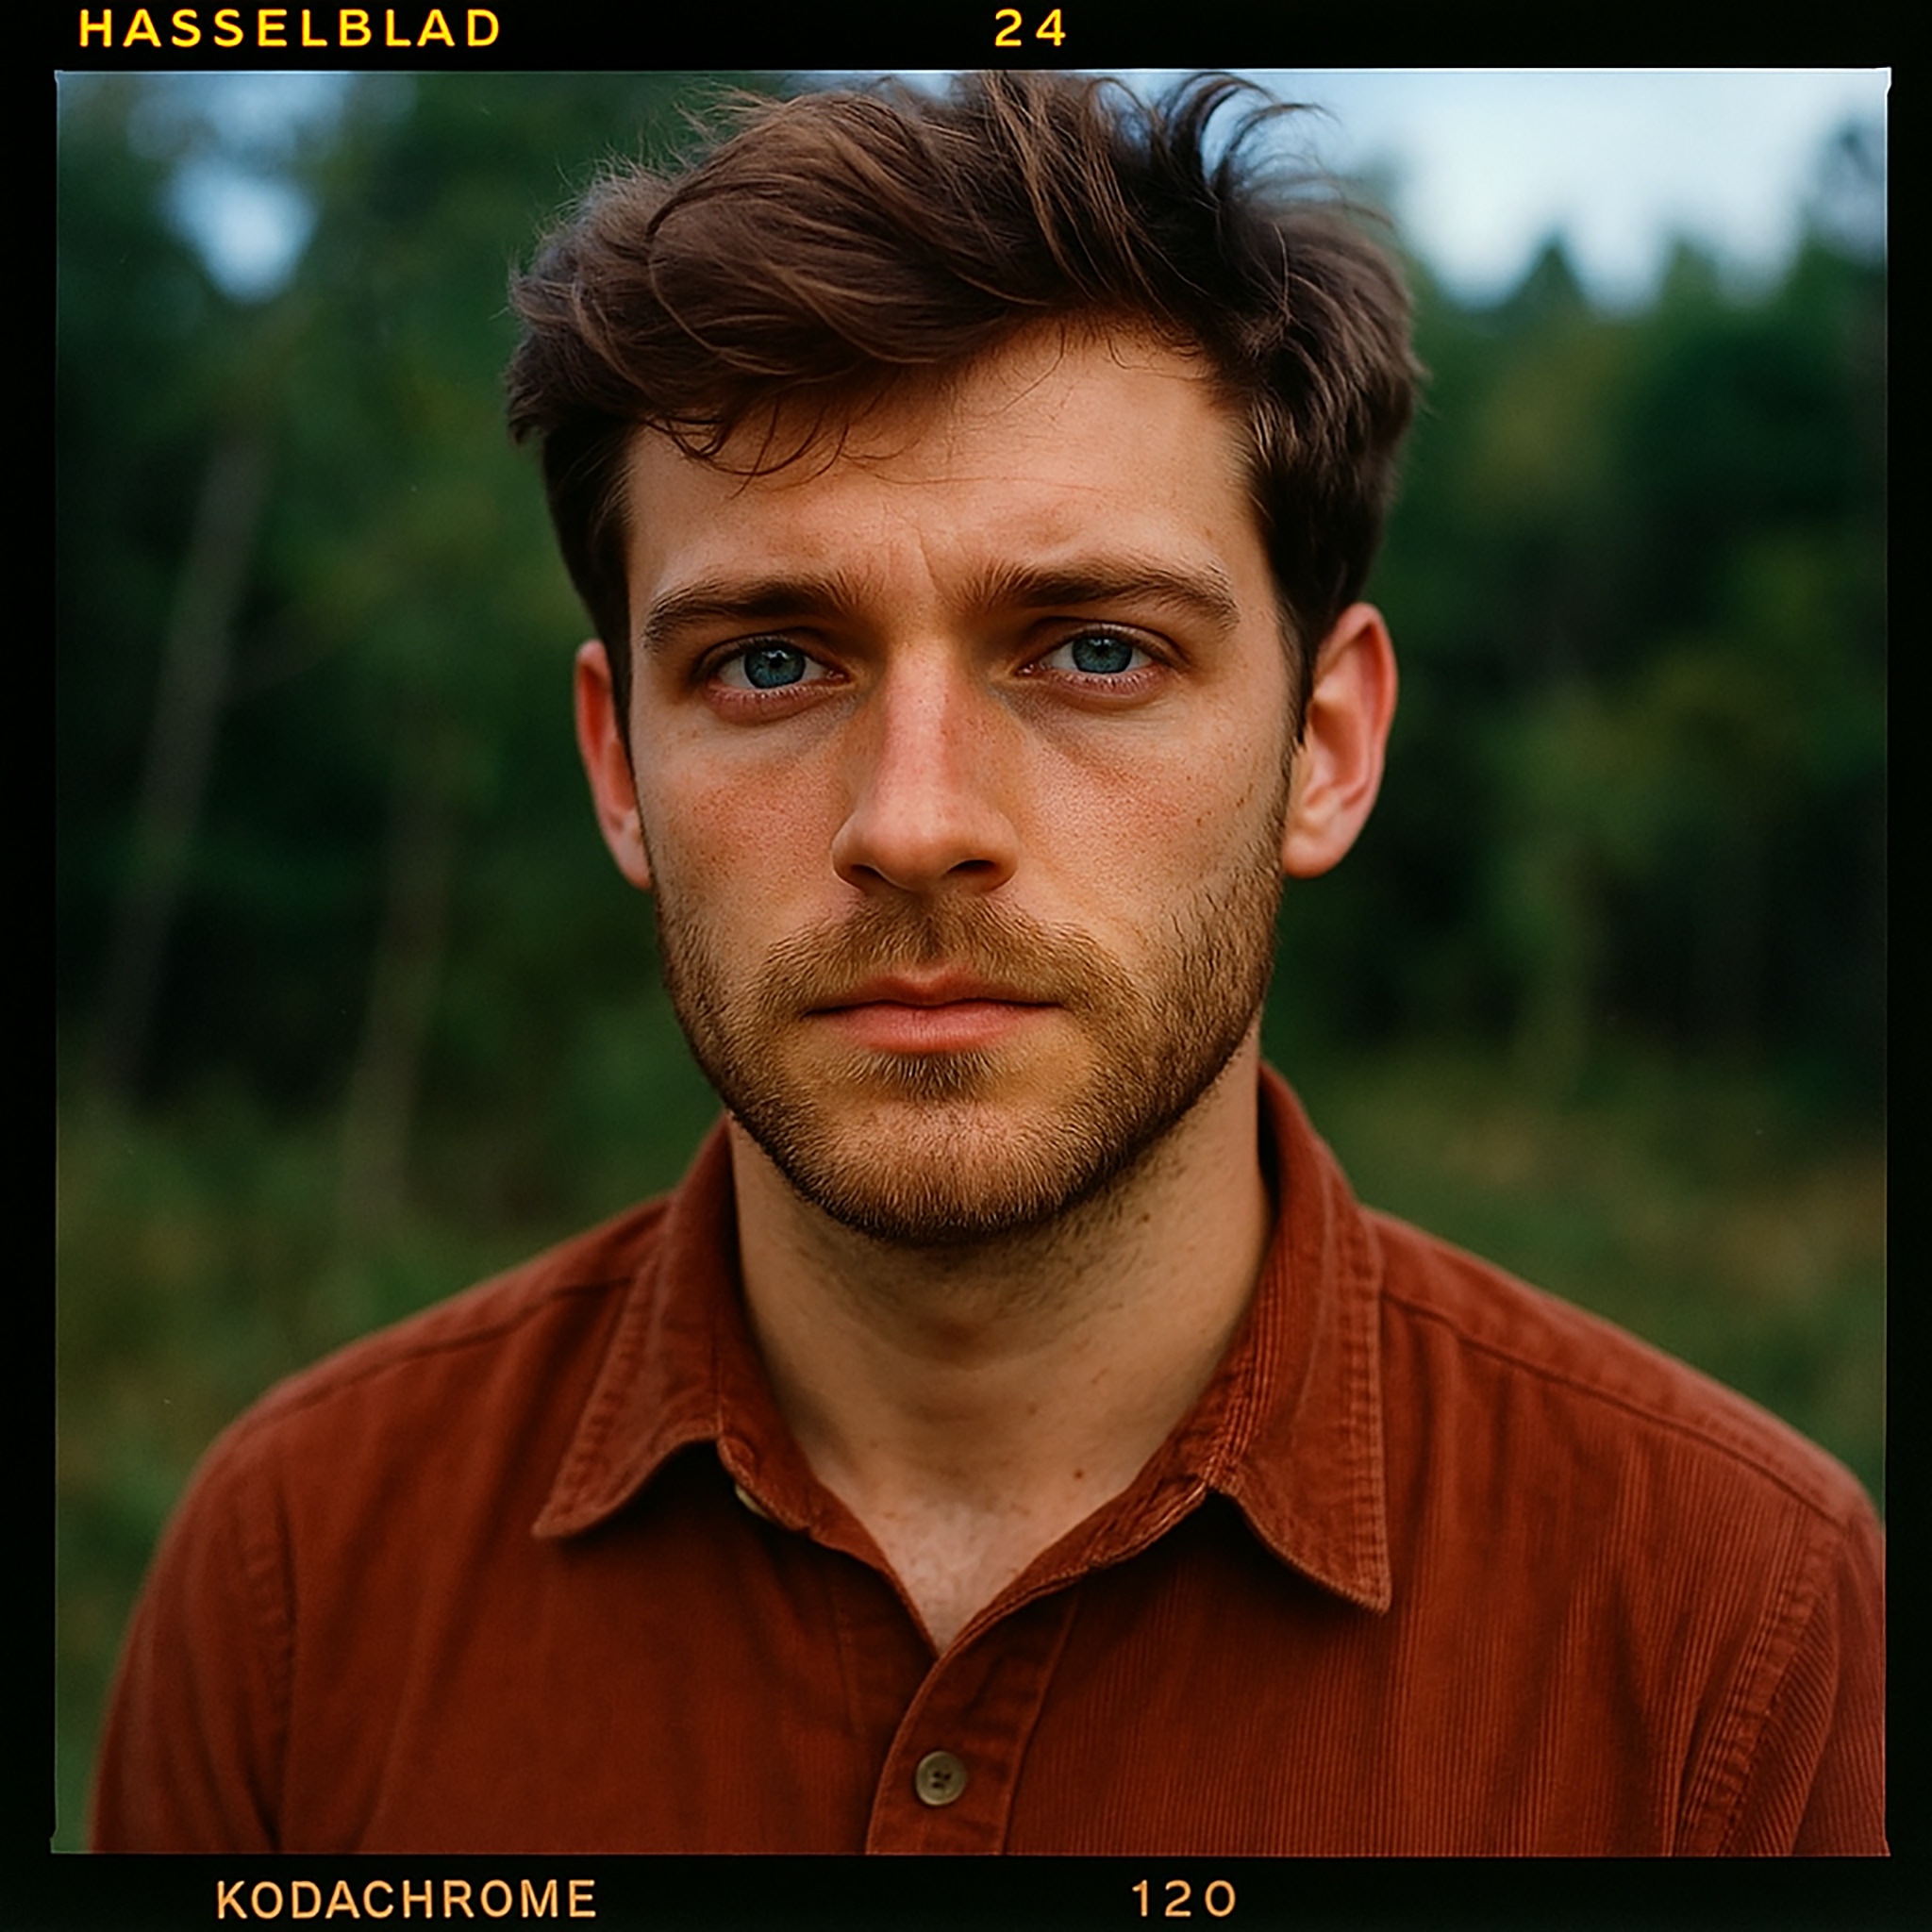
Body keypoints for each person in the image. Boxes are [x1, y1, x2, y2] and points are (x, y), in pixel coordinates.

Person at [92, 71, 1884, 1857]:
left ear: (1328, 749)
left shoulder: (1738, 1624)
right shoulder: (295, 1576)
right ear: (618, 766)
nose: (915, 821)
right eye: (771, 664)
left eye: (1096, 649)